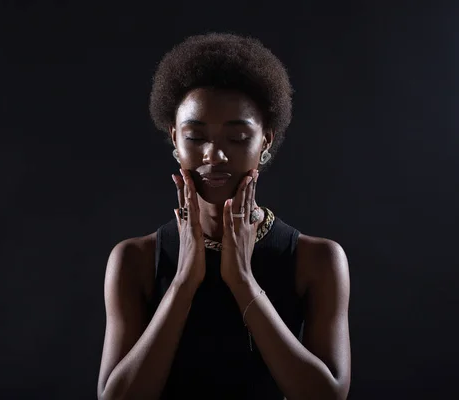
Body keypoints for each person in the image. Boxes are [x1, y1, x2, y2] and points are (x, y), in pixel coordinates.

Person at [97, 32, 351, 400]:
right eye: (196, 136)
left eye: (236, 137)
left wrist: (243, 282)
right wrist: (184, 281)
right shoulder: (133, 260)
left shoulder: (318, 260)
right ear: (174, 139)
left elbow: (328, 395)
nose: (214, 155)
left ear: (264, 140)